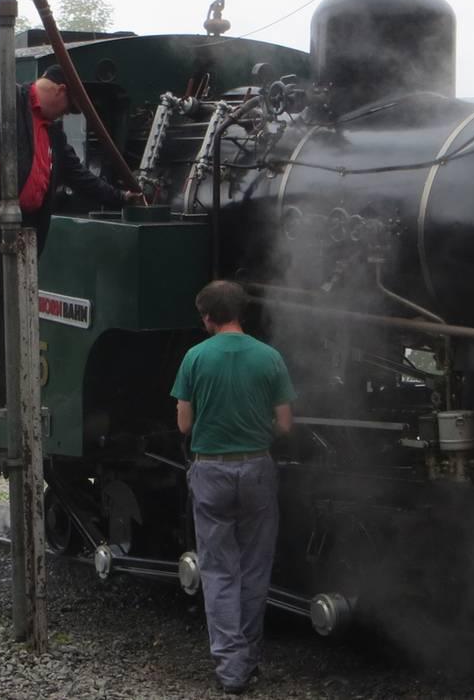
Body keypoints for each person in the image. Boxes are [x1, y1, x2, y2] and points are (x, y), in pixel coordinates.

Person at [0, 64, 139, 409]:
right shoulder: (5, 97)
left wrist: (122, 197)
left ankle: (8, 387)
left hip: (23, 230)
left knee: (14, 308)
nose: (66, 113)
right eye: (67, 106)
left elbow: (79, 176)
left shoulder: (51, 131)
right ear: (61, 91)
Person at [172, 280, 294, 694]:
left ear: (208, 316)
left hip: (211, 471)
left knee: (220, 570)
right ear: (241, 312)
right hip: (257, 467)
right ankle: (250, 658)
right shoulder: (270, 357)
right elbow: (285, 424)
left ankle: (231, 669)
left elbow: (184, 425)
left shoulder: (194, 358)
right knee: (255, 569)